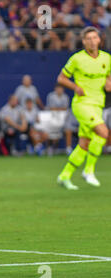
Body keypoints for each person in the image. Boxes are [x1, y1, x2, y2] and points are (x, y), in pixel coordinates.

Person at [57, 27, 110, 189]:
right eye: (88, 38)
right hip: (82, 104)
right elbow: (61, 78)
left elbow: (108, 75)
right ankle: (89, 170)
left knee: (84, 144)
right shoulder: (77, 59)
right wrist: (75, 87)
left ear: (99, 40)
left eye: (94, 38)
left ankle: (64, 176)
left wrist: (109, 81)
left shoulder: (107, 58)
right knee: (103, 133)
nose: (92, 41)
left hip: (98, 104)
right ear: (84, 41)